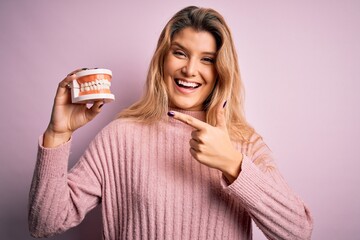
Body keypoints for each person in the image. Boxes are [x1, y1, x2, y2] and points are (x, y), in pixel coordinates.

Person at [28, 6, 313, 240]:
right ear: (162, 59)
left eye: (207, 59)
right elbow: (44, 224)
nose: (190, 69)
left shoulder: (243, 142)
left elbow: (298, 231)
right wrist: (58, 133)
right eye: (180, 53)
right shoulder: (120, 137)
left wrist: (232, 163)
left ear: (221, 70)